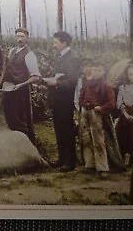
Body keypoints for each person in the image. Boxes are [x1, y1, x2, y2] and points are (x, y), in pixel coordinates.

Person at [44, 31, 81, 172]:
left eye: (56, 42)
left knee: (67, 130)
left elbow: (71, 82)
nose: (54, 45)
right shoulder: (60, 56)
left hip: (65, 99)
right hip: (57, 99)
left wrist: (56, 83)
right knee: (59, 129)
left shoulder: (72, 58)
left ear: (64, 43)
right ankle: (61, 159)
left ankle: (70, 162)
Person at [2, 27, 41, 144]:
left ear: (27, 38)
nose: (19, 39)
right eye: (18, 36)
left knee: (21, 120)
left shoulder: (29, 55)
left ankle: (27, 146)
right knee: (10, 118)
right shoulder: (12, 51)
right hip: (9, 90)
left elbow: (35, 77)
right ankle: (15, 146)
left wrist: (21, 85)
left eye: (22, 36)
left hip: (21, 92)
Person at [79, 60, 115, 178]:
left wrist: (100, 108)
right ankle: (89, 165)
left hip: (97, 114)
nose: (96, 72)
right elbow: (80, 98)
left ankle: (102, 168)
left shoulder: (107, 86)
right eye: (95, 70)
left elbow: (111, 104)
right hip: (86, 113)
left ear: (104, 72)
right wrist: (84, 104)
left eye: (99, 70)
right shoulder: (87, 84)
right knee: (86, 139)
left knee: (98, 141)